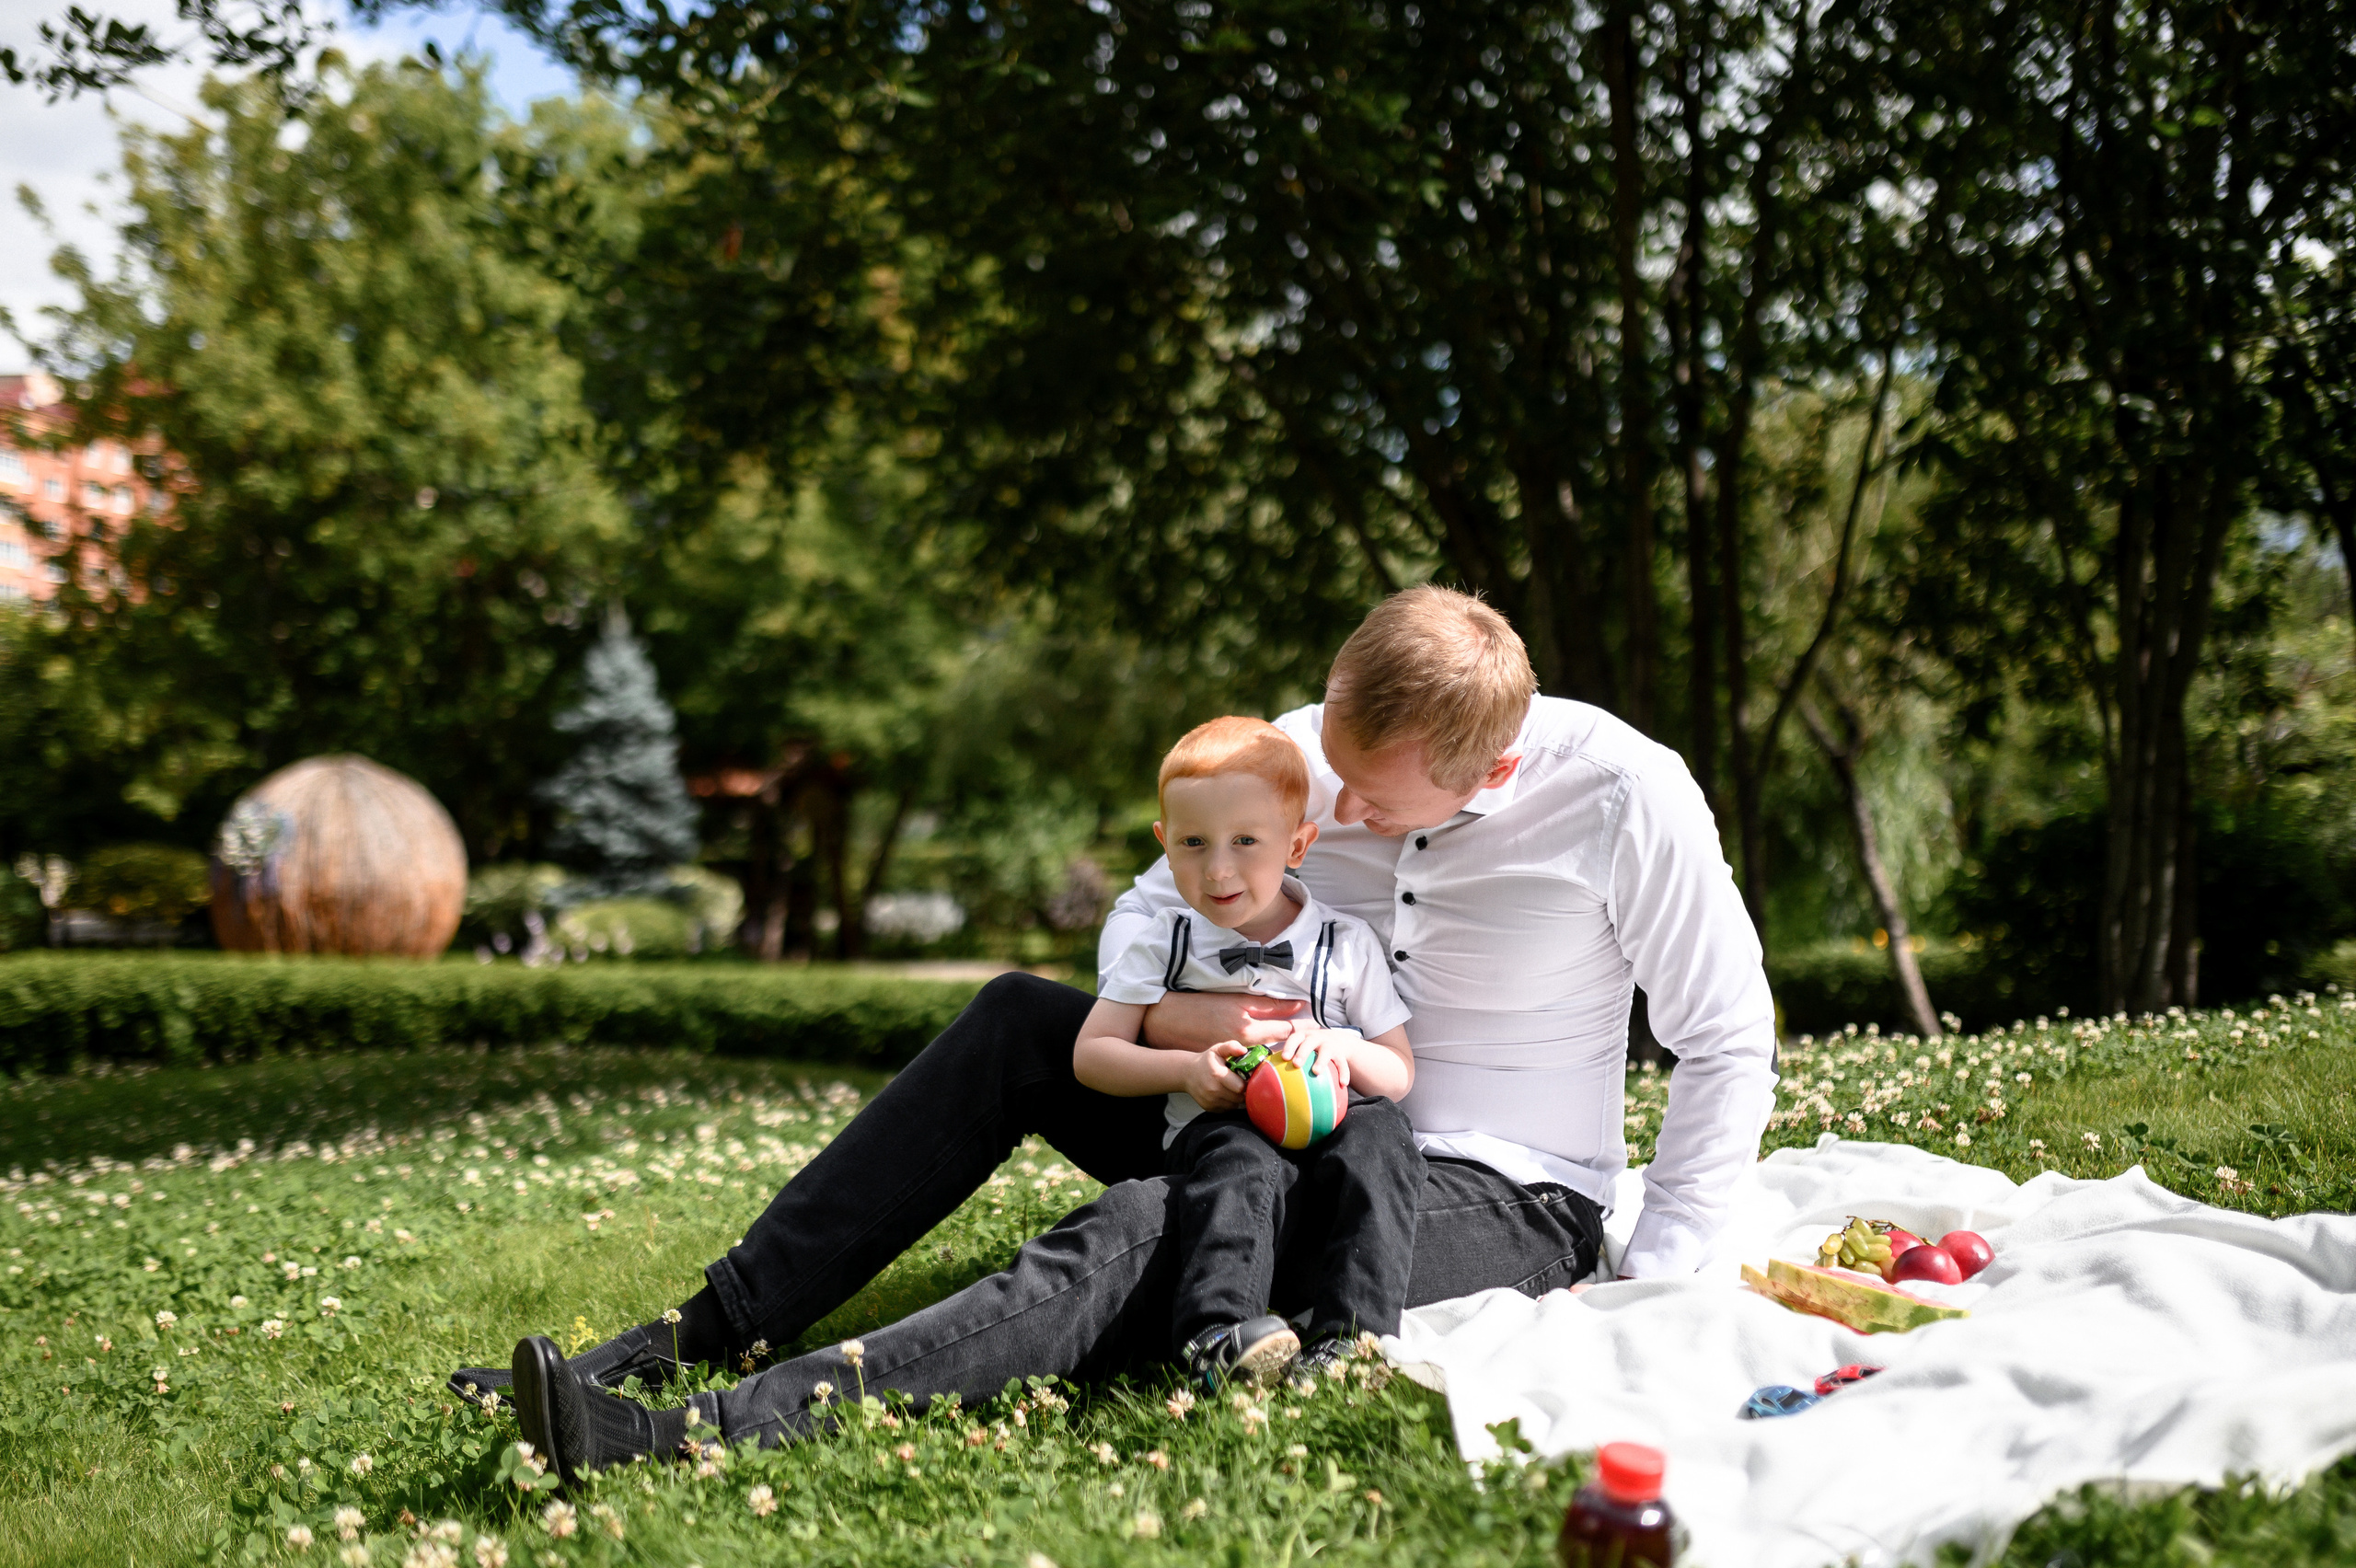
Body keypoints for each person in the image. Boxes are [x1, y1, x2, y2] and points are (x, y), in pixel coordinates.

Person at [479, 586, 1779, 1485]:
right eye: (1331, 768)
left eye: (1371, 805)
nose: (1342, 810)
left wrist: (1651, 1275)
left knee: (1153, 1224)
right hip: (1257, 1103)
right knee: (1013, 1019)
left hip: (1499, 1183)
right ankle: (702, 1329)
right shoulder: (1314, 755)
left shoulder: (1621, 797)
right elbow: (1158, 908)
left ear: (1487, 776)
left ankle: (702, 1433)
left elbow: (1727, 1039)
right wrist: (1187, 1018)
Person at [1076, 714, 1420, 1390]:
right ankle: (1218, 1335)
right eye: (1194, 843)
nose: (1219, 868)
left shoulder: (1344, 945)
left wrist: (1343, 1044)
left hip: (1331, 1125)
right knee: (1240, 1158)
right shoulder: (1162, 941)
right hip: (1221, 1123)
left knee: (1383, 1134)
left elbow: (1399, 1073)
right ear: (1163, 844)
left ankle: (1354, 1339)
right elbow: (1095, 1053)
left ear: (1298, 844)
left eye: (1245, 842)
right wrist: (1184, 1070)